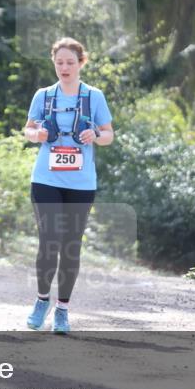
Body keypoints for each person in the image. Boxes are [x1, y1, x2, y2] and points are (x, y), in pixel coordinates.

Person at [23, 37, 114, 334]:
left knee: (70, 245)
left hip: (81, 183)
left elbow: (108, 134)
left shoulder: (94, 96)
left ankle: (62, 309)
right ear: (53, 63)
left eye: (70, 62)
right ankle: (41, 301)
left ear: (81, 63)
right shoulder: (43, 96)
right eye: (59, 62)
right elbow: (28, 129)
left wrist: (95, 136)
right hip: (46, 179)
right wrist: (37, 135)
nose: (64, 68)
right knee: (48, 241)